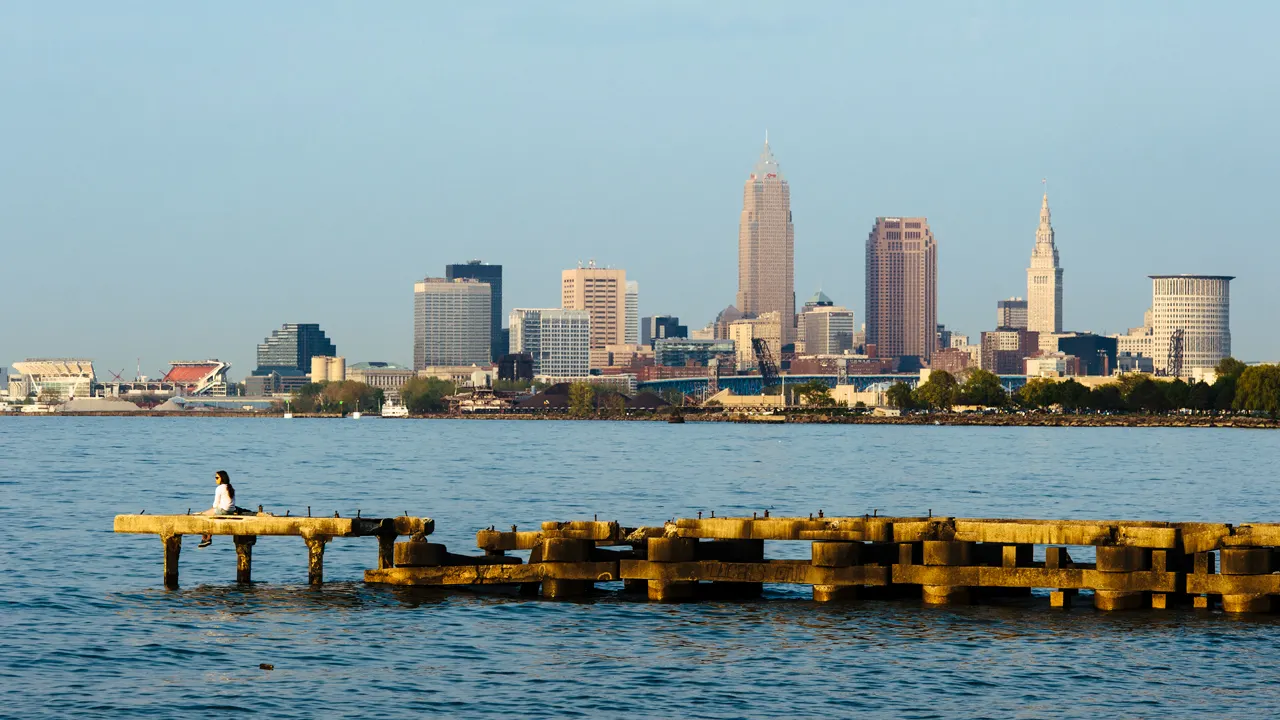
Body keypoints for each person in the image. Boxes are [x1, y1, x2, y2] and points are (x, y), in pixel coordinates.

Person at [196, 470, 237, 548]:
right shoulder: (230, 488)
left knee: (202, 516)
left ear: (222, 478)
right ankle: (207, 538)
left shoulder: (220, 488)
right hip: (231, 511)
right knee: (210, 515)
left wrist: (209, 510)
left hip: (223, 510)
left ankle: (205, 539)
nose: (215, 479)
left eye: (217, 477)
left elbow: (215, 504)